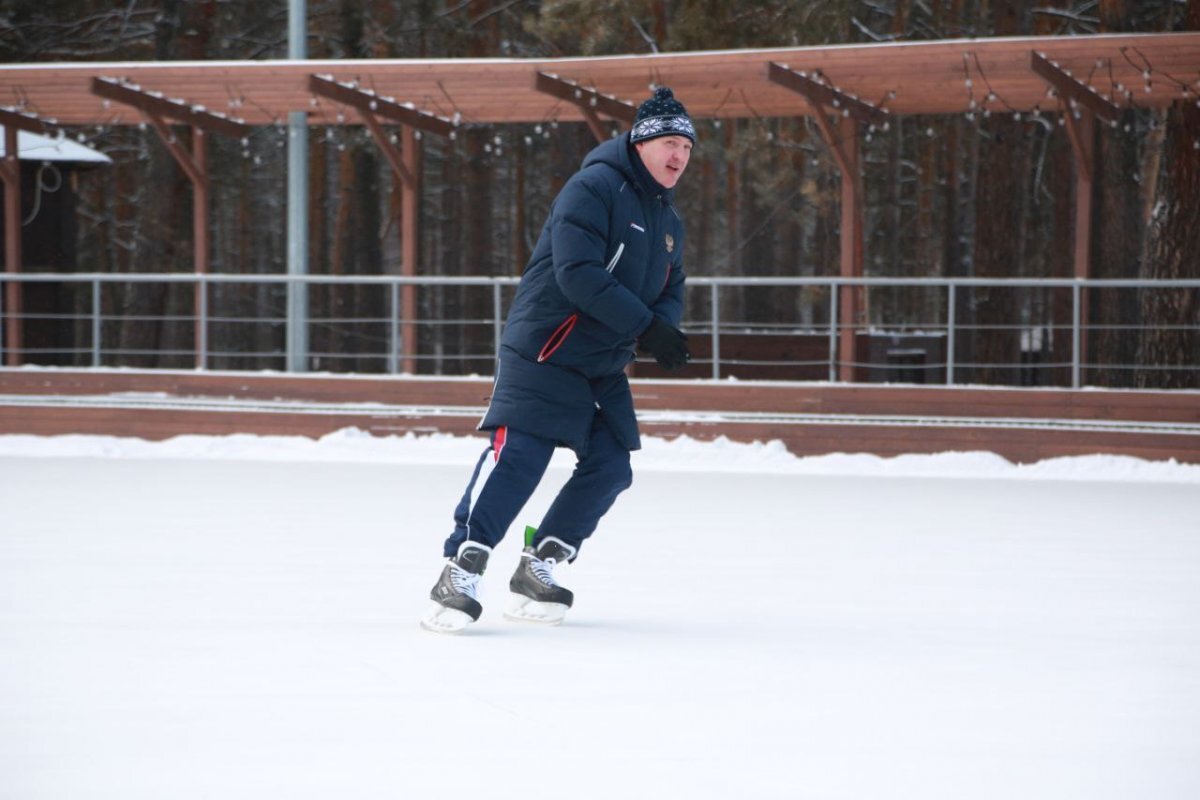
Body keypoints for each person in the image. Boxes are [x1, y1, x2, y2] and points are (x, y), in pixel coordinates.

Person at [420, 87, 696, 633]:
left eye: (686, 148)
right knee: (521, 454)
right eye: (668, 142)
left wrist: (663, 328)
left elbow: (672, 285)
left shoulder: (668, 222)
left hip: (601, 362)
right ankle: (461, 566)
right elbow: (578, 274)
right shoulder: (592, 188)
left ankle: (539, 563)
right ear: (640, 144)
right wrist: (645, 326)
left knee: (612, 466)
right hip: (546, 348)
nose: (679, 156)